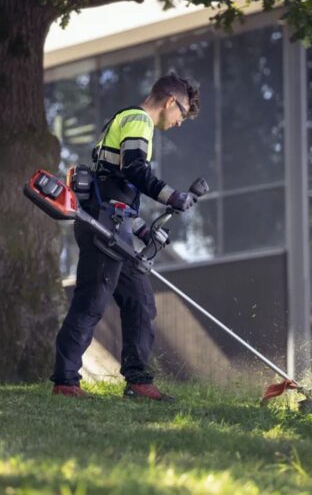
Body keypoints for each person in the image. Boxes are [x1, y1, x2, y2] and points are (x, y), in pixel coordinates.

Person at [51, 73, 200, 400]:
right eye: (182, 114)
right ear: (170, 101)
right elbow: (135, 170)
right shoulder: (138, 120)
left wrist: (141, 229)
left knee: (140, 301)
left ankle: (138, 381)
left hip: (113, 227)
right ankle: (65, 382)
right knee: (91, 302)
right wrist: (171, 196)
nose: (179, 122)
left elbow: (112, 190)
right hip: (102, 231)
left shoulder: (128, 121)